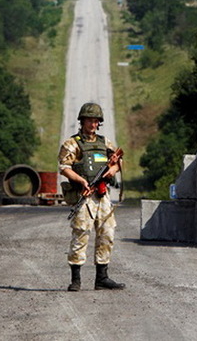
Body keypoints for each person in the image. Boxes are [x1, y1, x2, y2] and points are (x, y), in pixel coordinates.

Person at [58, 102, 125, 291]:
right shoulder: (72, 143)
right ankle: (76, 279)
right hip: (85, 194)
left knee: (107, 233)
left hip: (102, 196)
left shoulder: (104, 143)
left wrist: (112, 170)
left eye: (96, 121)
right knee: (80, 233)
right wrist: (81, 181)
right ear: (82, 121)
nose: (93, 125)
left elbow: (118, 161)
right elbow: (64, 168)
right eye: (90, 121)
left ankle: (102, 278)